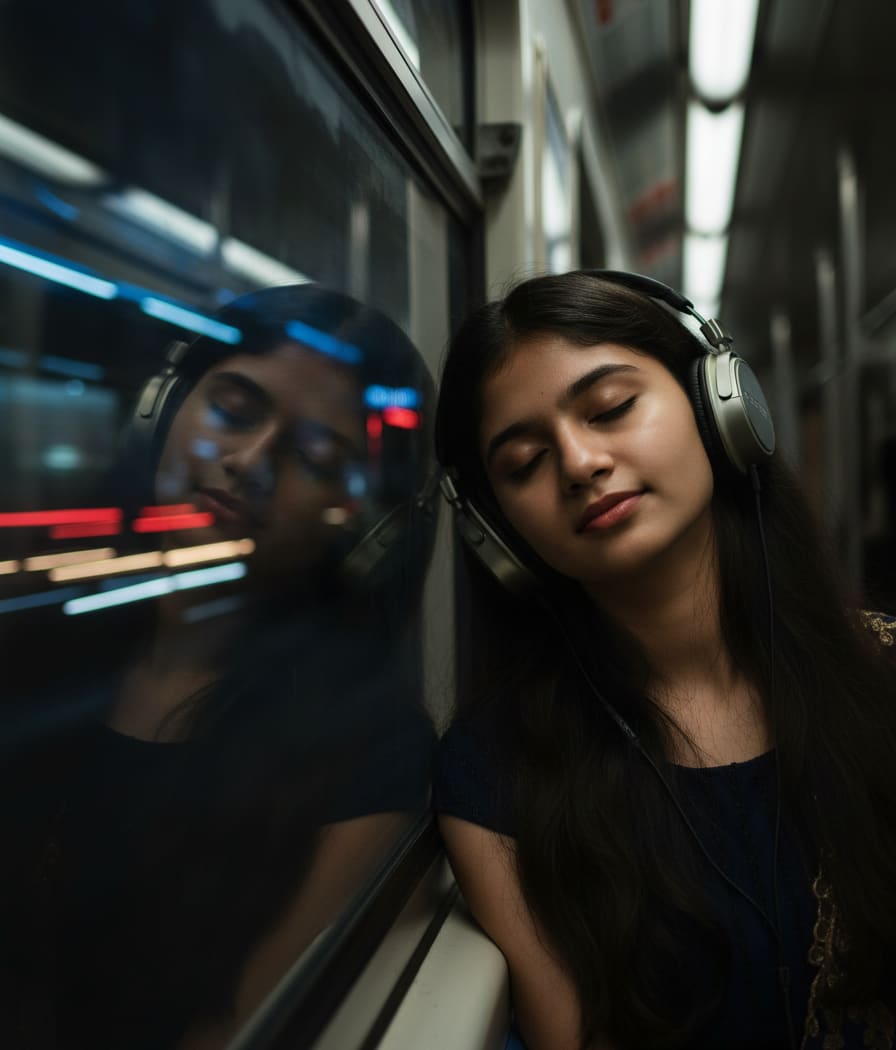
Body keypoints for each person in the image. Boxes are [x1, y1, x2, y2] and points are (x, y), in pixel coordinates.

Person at [432, 270, 896, 1050]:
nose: (579, 462)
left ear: (720, 407)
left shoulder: (882, 672)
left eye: (611, 409)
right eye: (522, 463)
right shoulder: (497, 772)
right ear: (497, 532)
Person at [0, 284, 437, 1049]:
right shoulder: (37, 637)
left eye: (313, 456)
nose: (247, 462)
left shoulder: (371, 750)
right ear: (162, 410)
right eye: (233, 412)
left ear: (362, 524)